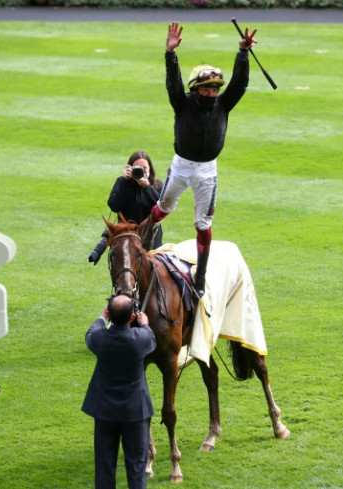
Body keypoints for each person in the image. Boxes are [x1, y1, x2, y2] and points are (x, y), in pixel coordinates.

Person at [141, 21, 258, 297]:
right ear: (195, 89)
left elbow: (240, 84)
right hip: (181, 167)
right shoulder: (181, 103)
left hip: (207, 172)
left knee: (203, 225)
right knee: (163, 209)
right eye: (206, 89)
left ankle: (201, 275)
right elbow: (172, 83)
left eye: (215, 89)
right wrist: (170, 54)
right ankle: (143, 246)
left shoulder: (223, 105)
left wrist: (242, 54)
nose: (211, 94)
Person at [81, 295, 156, 489]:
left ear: (109, 314)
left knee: (105, 467)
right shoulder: (141, 338)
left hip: (105, 412)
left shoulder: (99, 339)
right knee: (137, 468)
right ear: (132, 317)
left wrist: (101, 317)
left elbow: (92, 331)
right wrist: (145, 323)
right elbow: (151, 339)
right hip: (136, 412)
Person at [88, 150, 164, 265]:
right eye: (137, 168)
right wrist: (123, 181)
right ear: (130, 168)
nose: (141, 171)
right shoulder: (122, 182)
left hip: (151, 239)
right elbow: (114, 206)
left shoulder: (157, 185)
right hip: (126, 240)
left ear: (150, 169)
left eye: (144, 168)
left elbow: (162, 208)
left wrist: (147, 187)